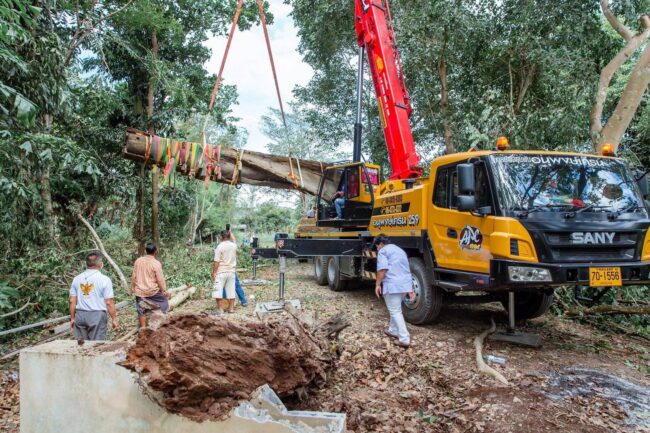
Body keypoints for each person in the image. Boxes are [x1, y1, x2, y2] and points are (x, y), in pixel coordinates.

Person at [374, 234, 415, 348]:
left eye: (377, 246)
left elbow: (382, 270)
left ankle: (404, 338)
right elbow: (407, 270)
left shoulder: (383, 251)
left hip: (393, 285)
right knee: (396, 308)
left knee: (395, 311)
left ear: (381, 244)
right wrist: (410, 288)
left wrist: (377, 284)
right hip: (403, 285)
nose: (377, 249)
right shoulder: (400, 251)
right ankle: (393, 330)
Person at [69, 252, 119, 340]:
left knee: (82, 347)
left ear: (87, 264)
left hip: (80, 315)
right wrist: (114, 318)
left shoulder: (76, 279)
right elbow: (109, 302)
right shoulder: (105, 280)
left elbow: (72, 301)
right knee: (97, 346)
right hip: (97, 316)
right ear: (99, 263)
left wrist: (72, 318)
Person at [131, 242, 169, 328]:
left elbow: (133, 276)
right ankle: (162, 322)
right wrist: (164, 290)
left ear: (146, 251)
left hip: (139, 291)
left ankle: (143, 328)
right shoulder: (156, 263)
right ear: (156, 251)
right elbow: (160, 279)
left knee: (140, 310)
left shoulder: (138, 261)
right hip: (152, 291)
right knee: (164, 303)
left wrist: (132, 288)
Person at [212, 229, 238, 314]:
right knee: (231, 291)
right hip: (231, 271)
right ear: (229, 236)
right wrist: (231, 232)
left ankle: (220, 309)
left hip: (221, 271)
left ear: (221, 237)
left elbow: (216, 261)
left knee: (217, 291)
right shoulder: (233, 245)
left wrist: (214, 272)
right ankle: (231, 309)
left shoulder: (219, 247)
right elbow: (234, 239)